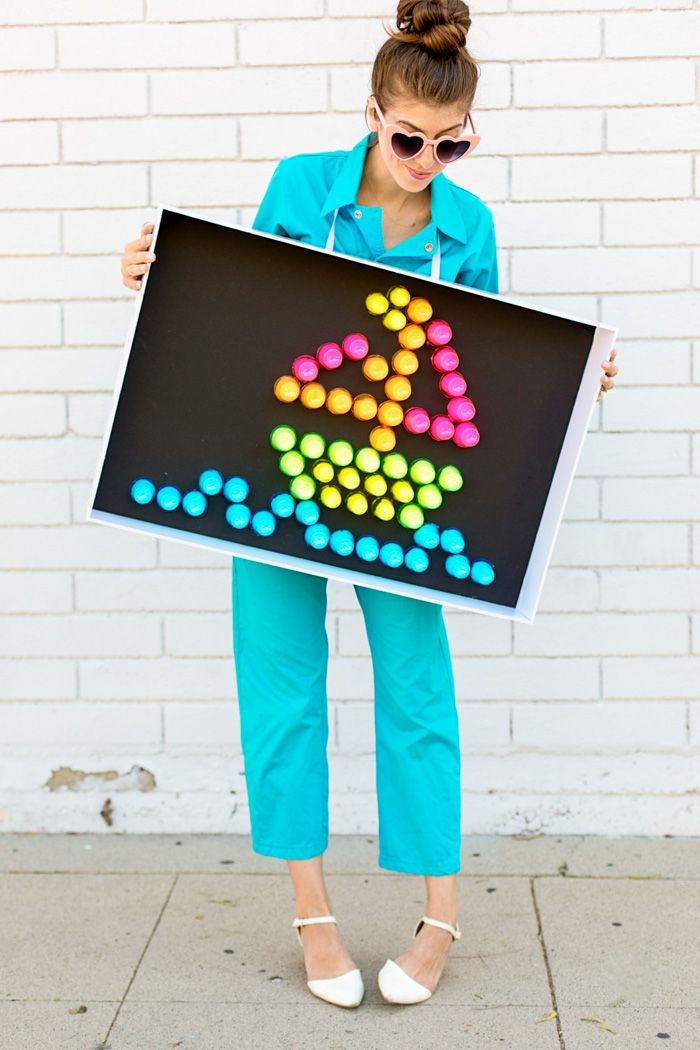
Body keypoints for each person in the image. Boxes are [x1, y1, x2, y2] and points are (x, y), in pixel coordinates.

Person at [121, 0, 619, 1011]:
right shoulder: (300, 188)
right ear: (371, 114)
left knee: (416, 692)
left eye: (450, 145)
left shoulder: (468, 226)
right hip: (277, 478)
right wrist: (155, 280)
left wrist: (564, 383)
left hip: (403, 496)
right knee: (281, 690)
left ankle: (441, 917)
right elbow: (244, 317)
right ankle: (313, 918)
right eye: (405, 139)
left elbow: (478, 376)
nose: (424, 161)